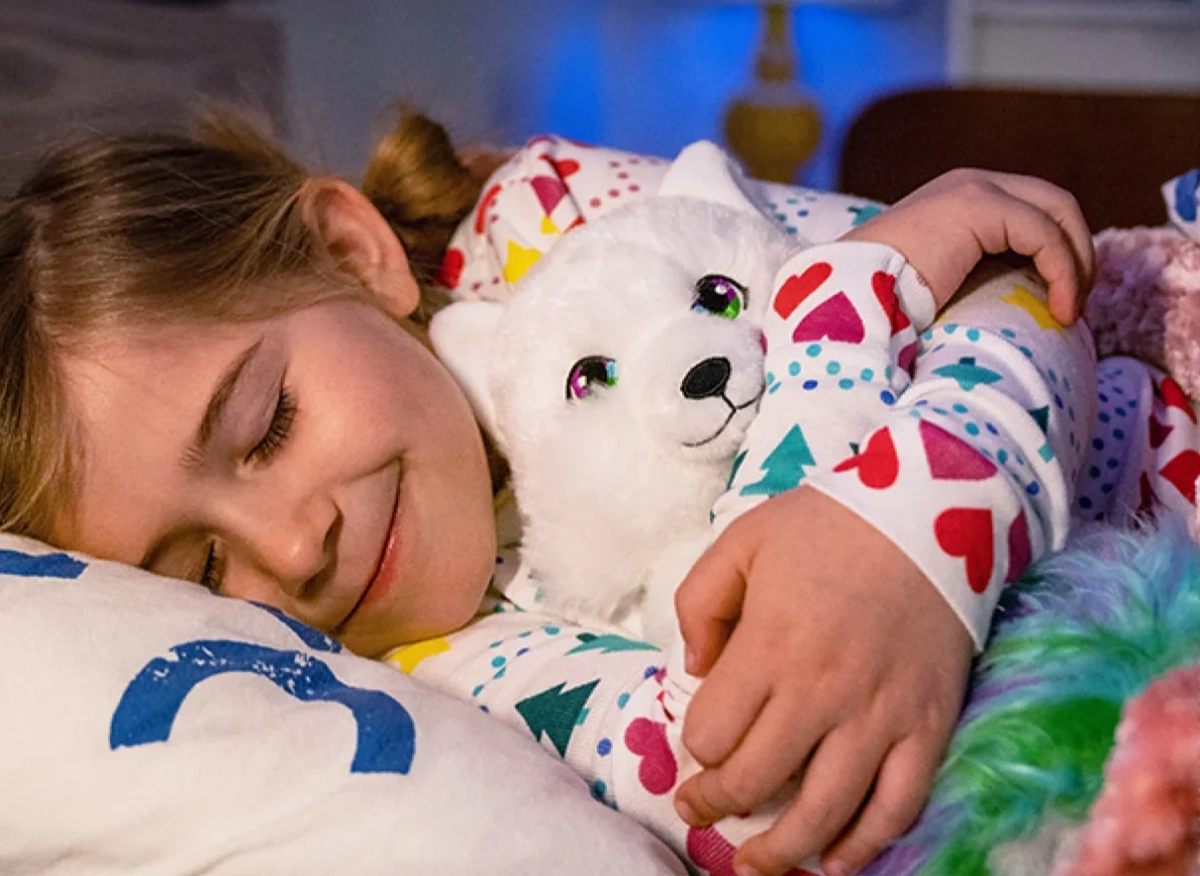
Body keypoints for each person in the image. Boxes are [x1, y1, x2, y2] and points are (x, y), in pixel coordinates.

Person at [0, 108, 1190, 876]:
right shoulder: (420, 684)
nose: (290, 549)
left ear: (354, 256)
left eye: (271, 426)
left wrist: (911, 534)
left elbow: (994, 257)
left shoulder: (547, 224)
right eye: (200, 570)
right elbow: (727, 789)